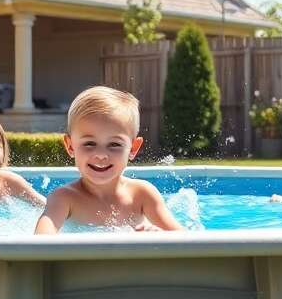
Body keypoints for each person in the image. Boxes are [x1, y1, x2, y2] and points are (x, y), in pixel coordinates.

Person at [36, 86, 182, 234]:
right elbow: (40, 241)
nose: (101, 155)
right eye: (89, 144)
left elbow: (183, 240)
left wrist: (157, 236)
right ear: (70, 146)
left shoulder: (142, 195)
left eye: (114, 144)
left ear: (133, 148)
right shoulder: (64, 198)